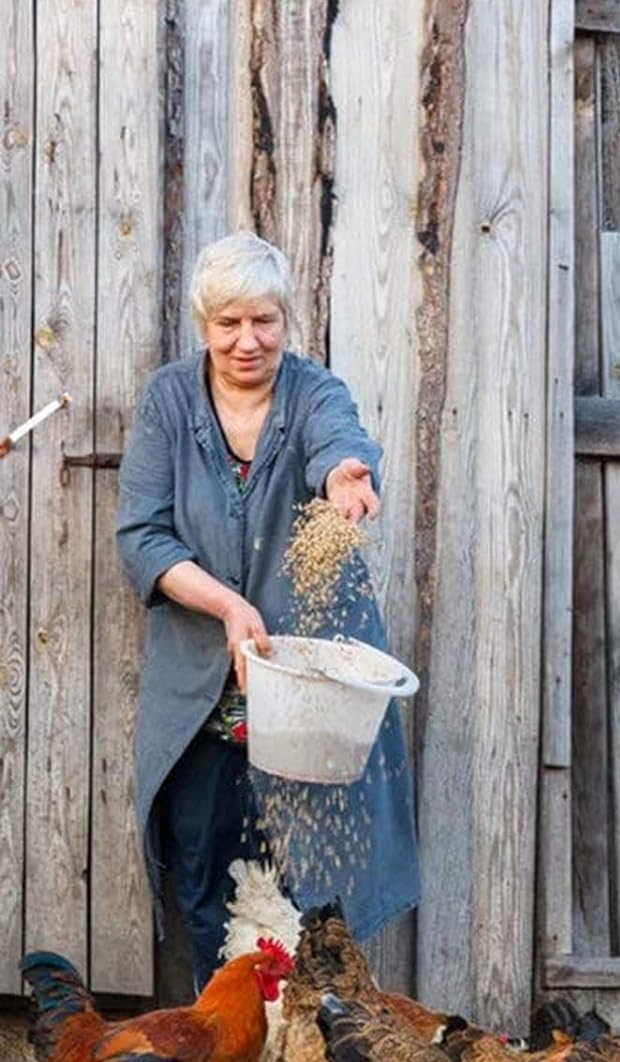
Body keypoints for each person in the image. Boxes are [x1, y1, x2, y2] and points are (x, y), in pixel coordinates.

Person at [116, 232, 419, 991]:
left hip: (306, 683)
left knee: (313, 875)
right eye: (229, 324)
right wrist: (226, 605)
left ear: (287, 318)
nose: (247, 341)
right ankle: (224, 1037)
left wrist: (345, 479)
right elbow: (141, 536)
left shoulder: (314, 394)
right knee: (200, 857)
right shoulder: (170, 400)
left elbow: (338, 446)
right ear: (203, 325)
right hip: (204, 685)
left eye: (264, 320)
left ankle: (313, 1040)